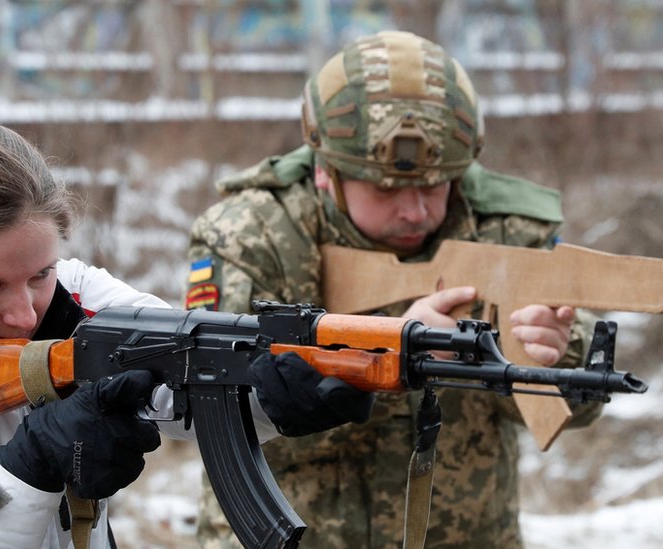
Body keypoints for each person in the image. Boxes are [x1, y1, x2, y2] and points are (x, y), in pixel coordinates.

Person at [0, 119, 374, 548]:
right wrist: (33, 467)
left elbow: (186, 374)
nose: (24, 313)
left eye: (39, 273)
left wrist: (271, 394)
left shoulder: (72, 296)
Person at [185, 30, 604, 548]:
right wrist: (386, 355)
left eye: (434, 185)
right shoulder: (253, 235)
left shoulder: (506, 227)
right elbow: (209, 411)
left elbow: (579, 408)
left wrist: (556, 354)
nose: (416, 210)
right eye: (386, 188)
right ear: (326, 172)